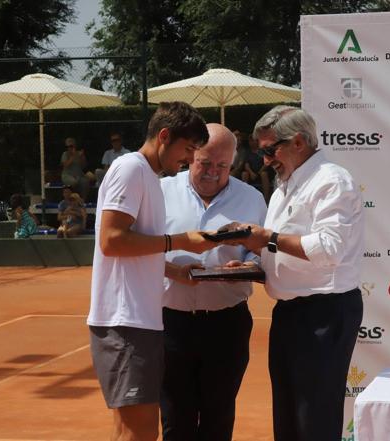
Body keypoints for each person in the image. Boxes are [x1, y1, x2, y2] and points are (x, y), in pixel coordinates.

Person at [223, 106, 364, 441]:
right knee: (288, 417)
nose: (266, 159)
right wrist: (254, 268)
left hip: (323, 314)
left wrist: (266, 238)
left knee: (313, 417)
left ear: (299, 142)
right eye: (261, 151)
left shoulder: (332, 180)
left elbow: (330, 249)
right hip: (290, 313)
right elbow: (284, 251)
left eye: (270, 150)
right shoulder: (287, 183)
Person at [87, 101, 218, 441]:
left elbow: (136, 246)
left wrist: (175, 271)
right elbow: (112, 240)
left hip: (139, 320)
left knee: (131, 430)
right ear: (163, 136)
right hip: (125, 320)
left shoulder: (149, 177)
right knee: (141, 432)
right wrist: (179, 241)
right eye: (187, 149)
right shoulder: (130, 169)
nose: (189, 159)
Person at [159, 123, 267, 441]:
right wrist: (171, 271)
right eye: (205, 163)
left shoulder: (252, 199)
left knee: (218, 417)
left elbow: (264, 254)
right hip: (170, 324)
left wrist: (248, 265)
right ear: (191, 156)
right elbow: (140, 252)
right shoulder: (161, 192)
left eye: (222, 165)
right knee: (175, 419)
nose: (213, 172)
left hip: (227, 324)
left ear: (232, 163)